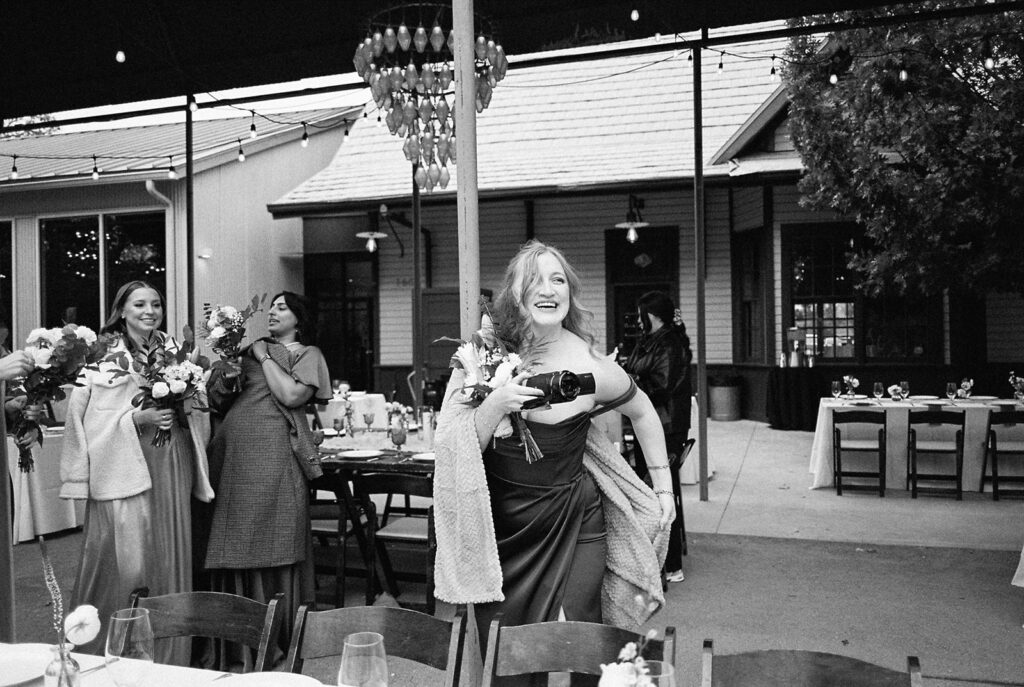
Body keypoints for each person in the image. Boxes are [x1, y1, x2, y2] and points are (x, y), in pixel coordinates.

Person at [433, 240, 674, 654]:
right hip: (504, 530)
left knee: (580, 641)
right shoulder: (482, 354)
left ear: (570, 292)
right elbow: (450, 441)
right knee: (507, 654)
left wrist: (665, 485)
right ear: (516, 293)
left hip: (576, 518)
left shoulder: (593, 363)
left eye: (558, 279)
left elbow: (645, 411)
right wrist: (495, 405)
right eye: (535, 280)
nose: (548, 289)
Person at [59, 280, 212, 660]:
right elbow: (86, 418)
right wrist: (137, 417)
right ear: (122, 310)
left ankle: (171, 651)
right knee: (126, 558)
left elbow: (198, 403)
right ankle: (113, 648)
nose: (150, 311)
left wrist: (189, 399)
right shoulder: (104, 357)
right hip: (125, 461)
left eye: (156, 304)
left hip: (170, 456)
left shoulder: (176, 351)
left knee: (169, 547)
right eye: (140, 304)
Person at [203, 291, 331, 665]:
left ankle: (273, 633)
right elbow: (217, 401)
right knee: (233, 533)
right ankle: (233, 636)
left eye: (282, 307)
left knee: (271, 530)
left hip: (274, 452)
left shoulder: (307, 354)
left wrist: (262, 356)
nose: (273, 312)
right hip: (231, 453)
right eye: (271, 307)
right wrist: (225, 368)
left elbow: (291, 395)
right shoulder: (246, 351)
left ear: (298, 318)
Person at [622, 291, 693, 583]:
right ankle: (654, 556)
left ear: (651, 316)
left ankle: (671, 563)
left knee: (663, 491)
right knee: (647, 490)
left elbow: (661, 385)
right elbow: (633, 370)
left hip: (666, 427)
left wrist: (631, 382)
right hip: (647, 423)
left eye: (641, 315)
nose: (638, 321)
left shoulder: (670, 344)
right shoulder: (648, 341)